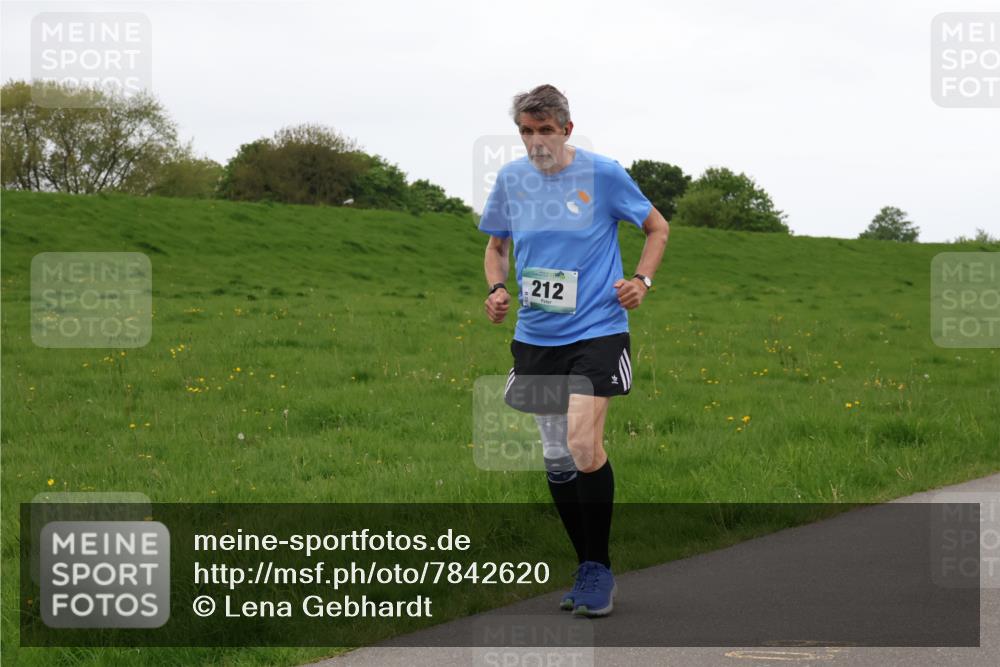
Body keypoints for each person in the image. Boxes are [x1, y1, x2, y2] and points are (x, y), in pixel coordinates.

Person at [478, 84, 669, 617]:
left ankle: (598, 569)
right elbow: (496, 247)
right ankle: (586, 564)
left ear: (566, 129)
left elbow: (657, 227)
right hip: (537, 336)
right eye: (526, 131)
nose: (535, 141)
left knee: (584, 446)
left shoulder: (603, 174)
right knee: (558, 456)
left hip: (598, 331)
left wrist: (641, 281)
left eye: (544, 130)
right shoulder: (511, 180)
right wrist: (496, 289)